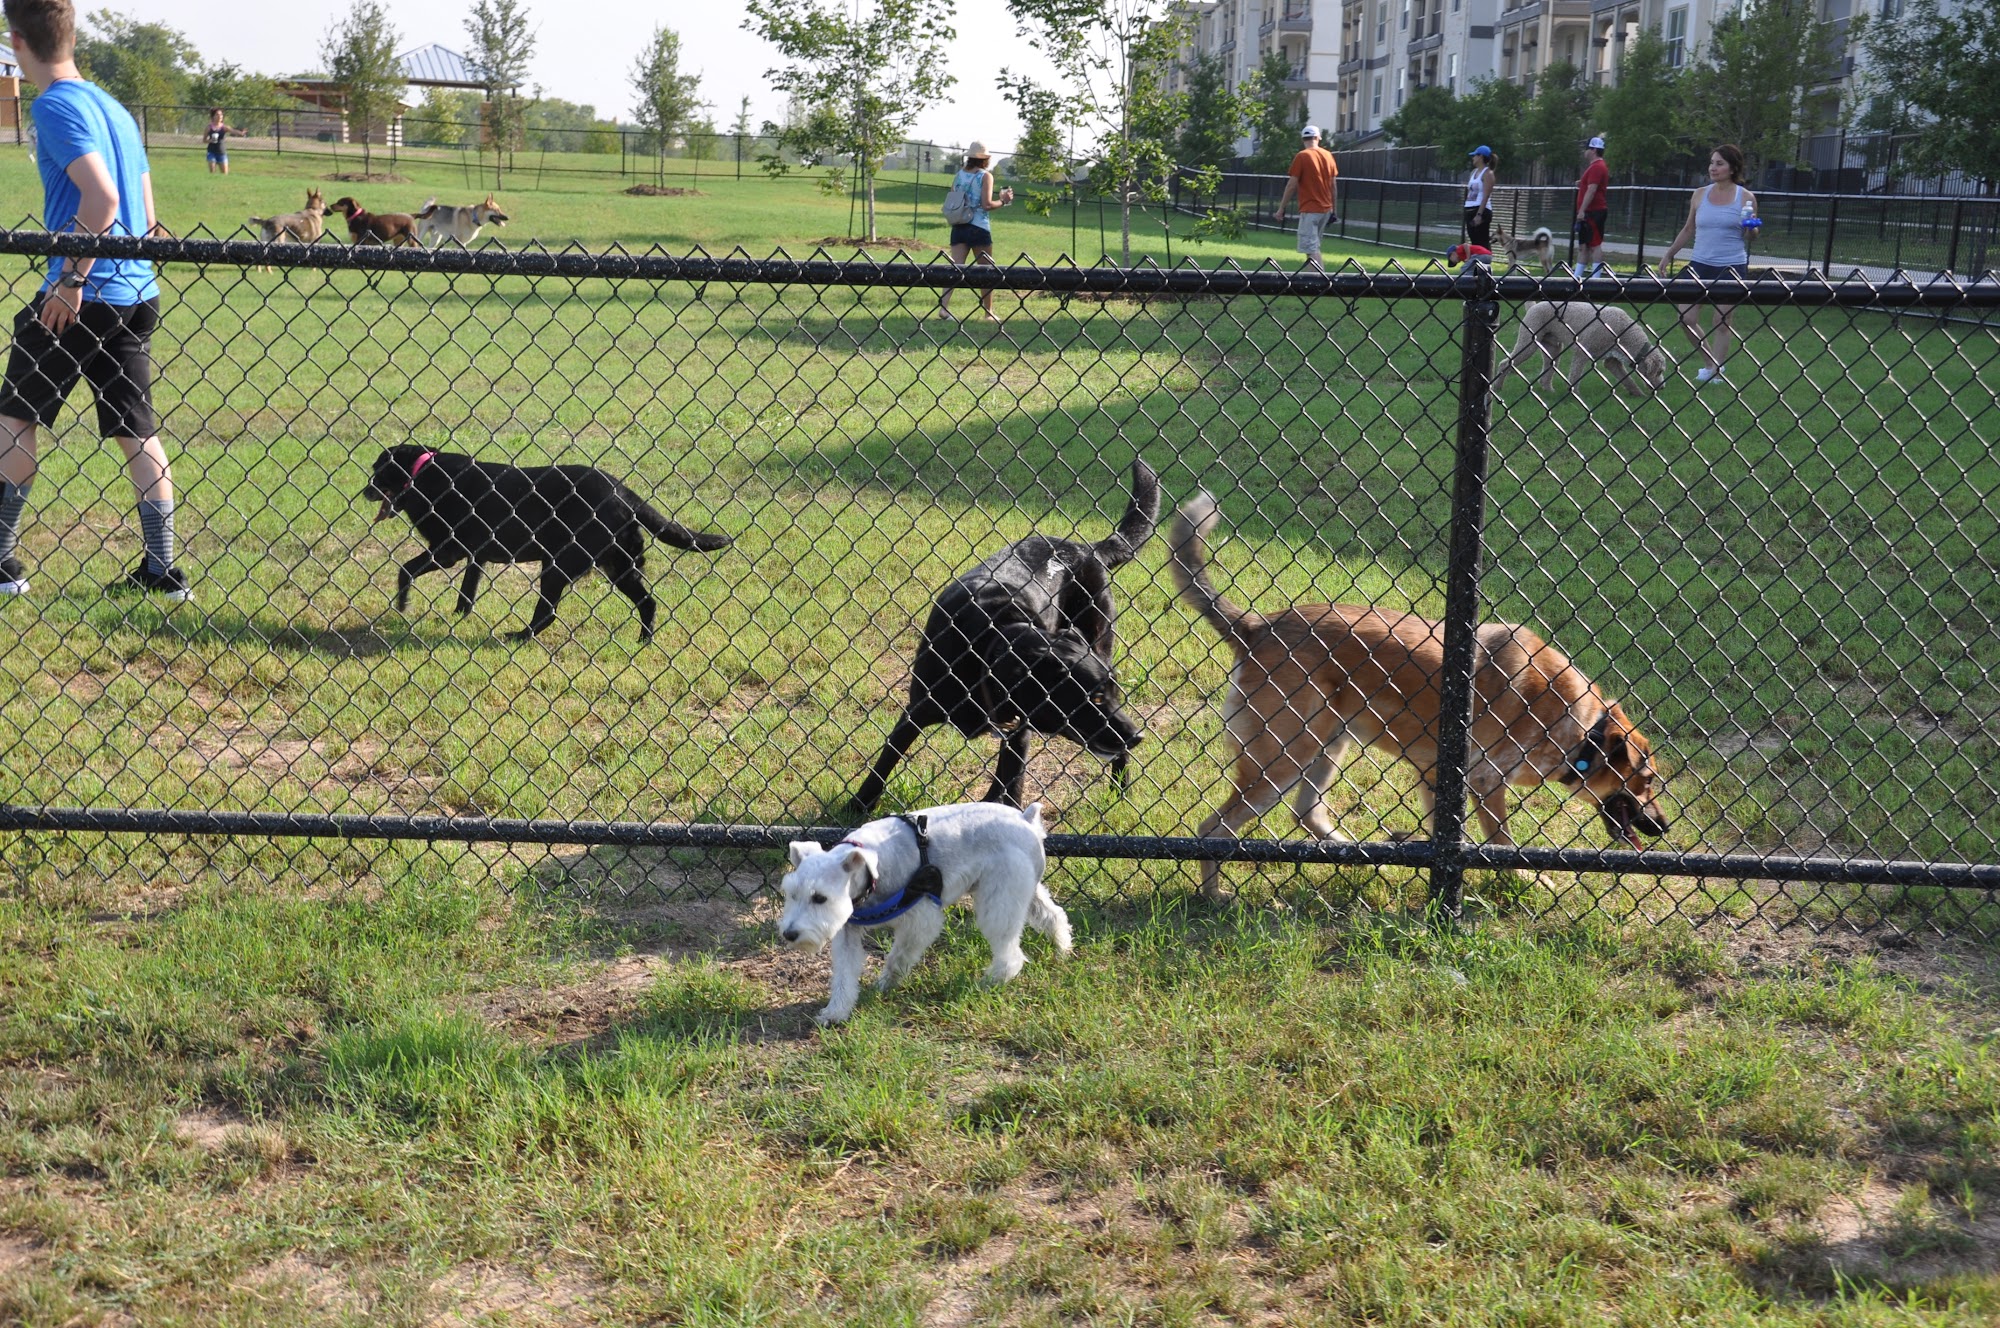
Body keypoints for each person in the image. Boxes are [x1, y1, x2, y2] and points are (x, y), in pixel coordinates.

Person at [0, 0, 188, 601]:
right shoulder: (113, 107)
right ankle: (163, 572)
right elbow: (147, 213)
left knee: (13, 417)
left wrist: (71, 280)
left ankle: (2, 564)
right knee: (138, 430)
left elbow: (103, 199)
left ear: (16, 40)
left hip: (81, 295)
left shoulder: (55, 104)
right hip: (136, 293)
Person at [1660, 143, 1759, 385]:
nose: (1713, 168)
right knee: (1686, 318)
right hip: (1699, 265)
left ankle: (1714, 373)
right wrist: (1669, 254)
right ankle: (1710, 363)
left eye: (1719, 163)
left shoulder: (1745, 197)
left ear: (1733, 168)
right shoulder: (1700, 194)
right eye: (1712, 163)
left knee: (1722, 321)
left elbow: (1753, 235)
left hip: (1731, 267)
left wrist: (1751, 227)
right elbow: (1688, 229)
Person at [938, 141, 1013, 324]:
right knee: (986, 271)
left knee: (955, 269)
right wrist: (1003, 201)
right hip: (979, 227)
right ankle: (988, 312)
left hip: (959, 226)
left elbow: (953, 197)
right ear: (986, 159)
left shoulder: (959, 175)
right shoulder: (985, 176)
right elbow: (987, 204)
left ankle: (943, 308)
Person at [1272, 123, 1338, 269]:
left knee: (1310, 248)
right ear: (1318, 138)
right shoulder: (1328, 156)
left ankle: (1318, 282)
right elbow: (1333, 186)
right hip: (1325, 209)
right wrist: (1334, 209)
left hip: (1310, 209)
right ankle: (1317, 280)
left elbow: (1291, 185)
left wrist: (1281, 208)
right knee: (1313, 247)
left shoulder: (1302, 156)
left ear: (1303, 139)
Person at [1575, 134, 1610, 277]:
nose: (1585, 152)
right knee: (1584, 246)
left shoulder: (1597, 167)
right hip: (1589, 212)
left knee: (1595, 245)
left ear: (1593, 150)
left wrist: (1582, 210)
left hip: (1593, 212)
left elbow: (1592, 189)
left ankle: (1596, 280)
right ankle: (1576, 278)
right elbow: (1590, 185)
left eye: (1587, 149)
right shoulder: (1594, 167)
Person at [1462, 145, 1496, 252]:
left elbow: (1486, 196)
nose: (1473, 158)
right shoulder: (1473, 173)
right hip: (1470, 210)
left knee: (1482, 242)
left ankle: (1485, 267)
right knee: (1474, 243)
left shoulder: (1488, 173)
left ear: (1480, 157)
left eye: (1474, 156)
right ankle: (1477, 267)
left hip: (1480, 211)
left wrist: (1479, 215)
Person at [203, 107, 244, 175]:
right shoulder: (209, 127)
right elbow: (204, 140)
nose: (220, 116)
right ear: (213, 116)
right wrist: (210, 140)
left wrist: (241, 133)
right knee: (212, 172)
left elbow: (233, 131)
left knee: (224, 174)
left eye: (221, 115)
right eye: (217, 114)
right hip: (211, 152)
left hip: (222, 152)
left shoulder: (224, 127)